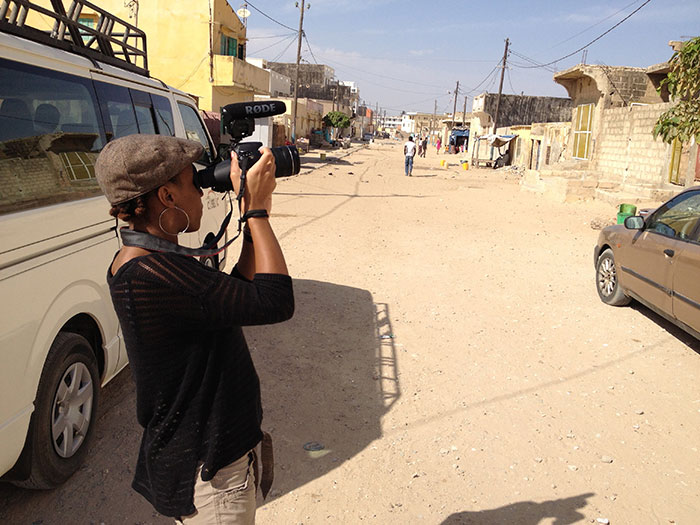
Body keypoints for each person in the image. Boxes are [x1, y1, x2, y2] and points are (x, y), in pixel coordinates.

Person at [95, 134, 294, 524]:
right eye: (193, 183)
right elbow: (275, 301)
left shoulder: (142, 261)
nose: (203, 193)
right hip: (213, 477)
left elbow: (234, 296)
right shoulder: (152, 274)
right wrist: (256, 213)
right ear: (167, 197)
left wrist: (254, 214)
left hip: (212, 459)